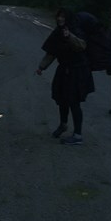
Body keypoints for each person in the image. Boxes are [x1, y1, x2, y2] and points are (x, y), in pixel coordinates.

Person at [35, 8, 95, 146]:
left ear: (68, 18)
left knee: (74, 102)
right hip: (64, 69)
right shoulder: (58, 32)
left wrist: (69, 37)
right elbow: (51, 52)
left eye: (63, 16)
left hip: (78, 71)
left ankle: (78, 135)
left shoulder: (76, 30)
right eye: (59, 16)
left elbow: (81, 46)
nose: (60, 19)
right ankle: (63, 125)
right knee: (61, 99)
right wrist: (41, 67)